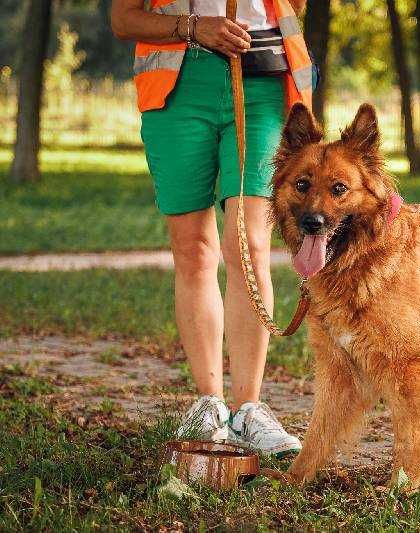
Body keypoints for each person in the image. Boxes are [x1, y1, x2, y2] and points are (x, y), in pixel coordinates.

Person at [111, 0, 310, 457]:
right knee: (194, 250)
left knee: (249, 244)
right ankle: (209, 405)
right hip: (178, 89)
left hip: (262, 79)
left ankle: (249, 410)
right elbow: (124, 19)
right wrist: (194, 27)